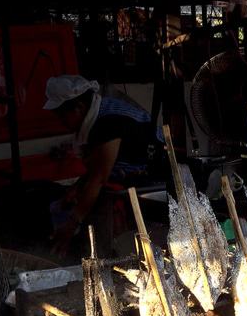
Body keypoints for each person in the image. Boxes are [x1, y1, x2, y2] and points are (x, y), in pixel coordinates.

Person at [44, 75, 165, 254]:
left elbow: (99, 178)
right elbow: (96, 168)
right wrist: (77, 188)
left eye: (62, 116)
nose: (61, 122)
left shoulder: (107, 122)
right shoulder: (97, 116)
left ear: (78, 107)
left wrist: (72, 224)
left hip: (156, 178)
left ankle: (105, 255)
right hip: (135, 177)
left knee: (99, 201)